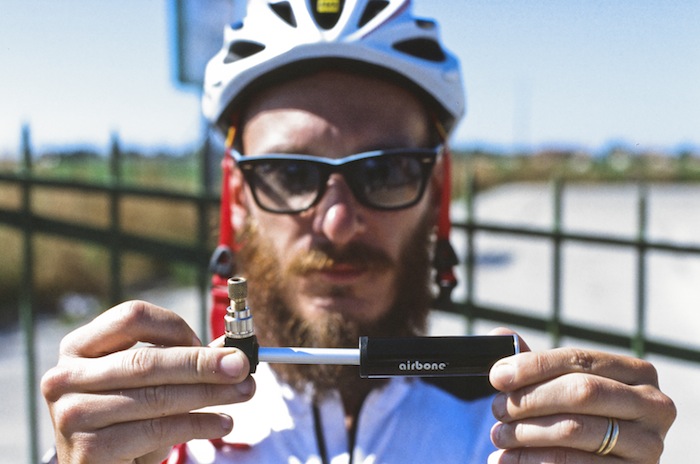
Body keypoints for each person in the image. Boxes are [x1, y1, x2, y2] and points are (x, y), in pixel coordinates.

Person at [40, 1, 676, 463]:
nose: (339, 222)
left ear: (438, 194)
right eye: (290, 173)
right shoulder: (159, 438)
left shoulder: (517, 430)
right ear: (237, 197)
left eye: (387, 170)